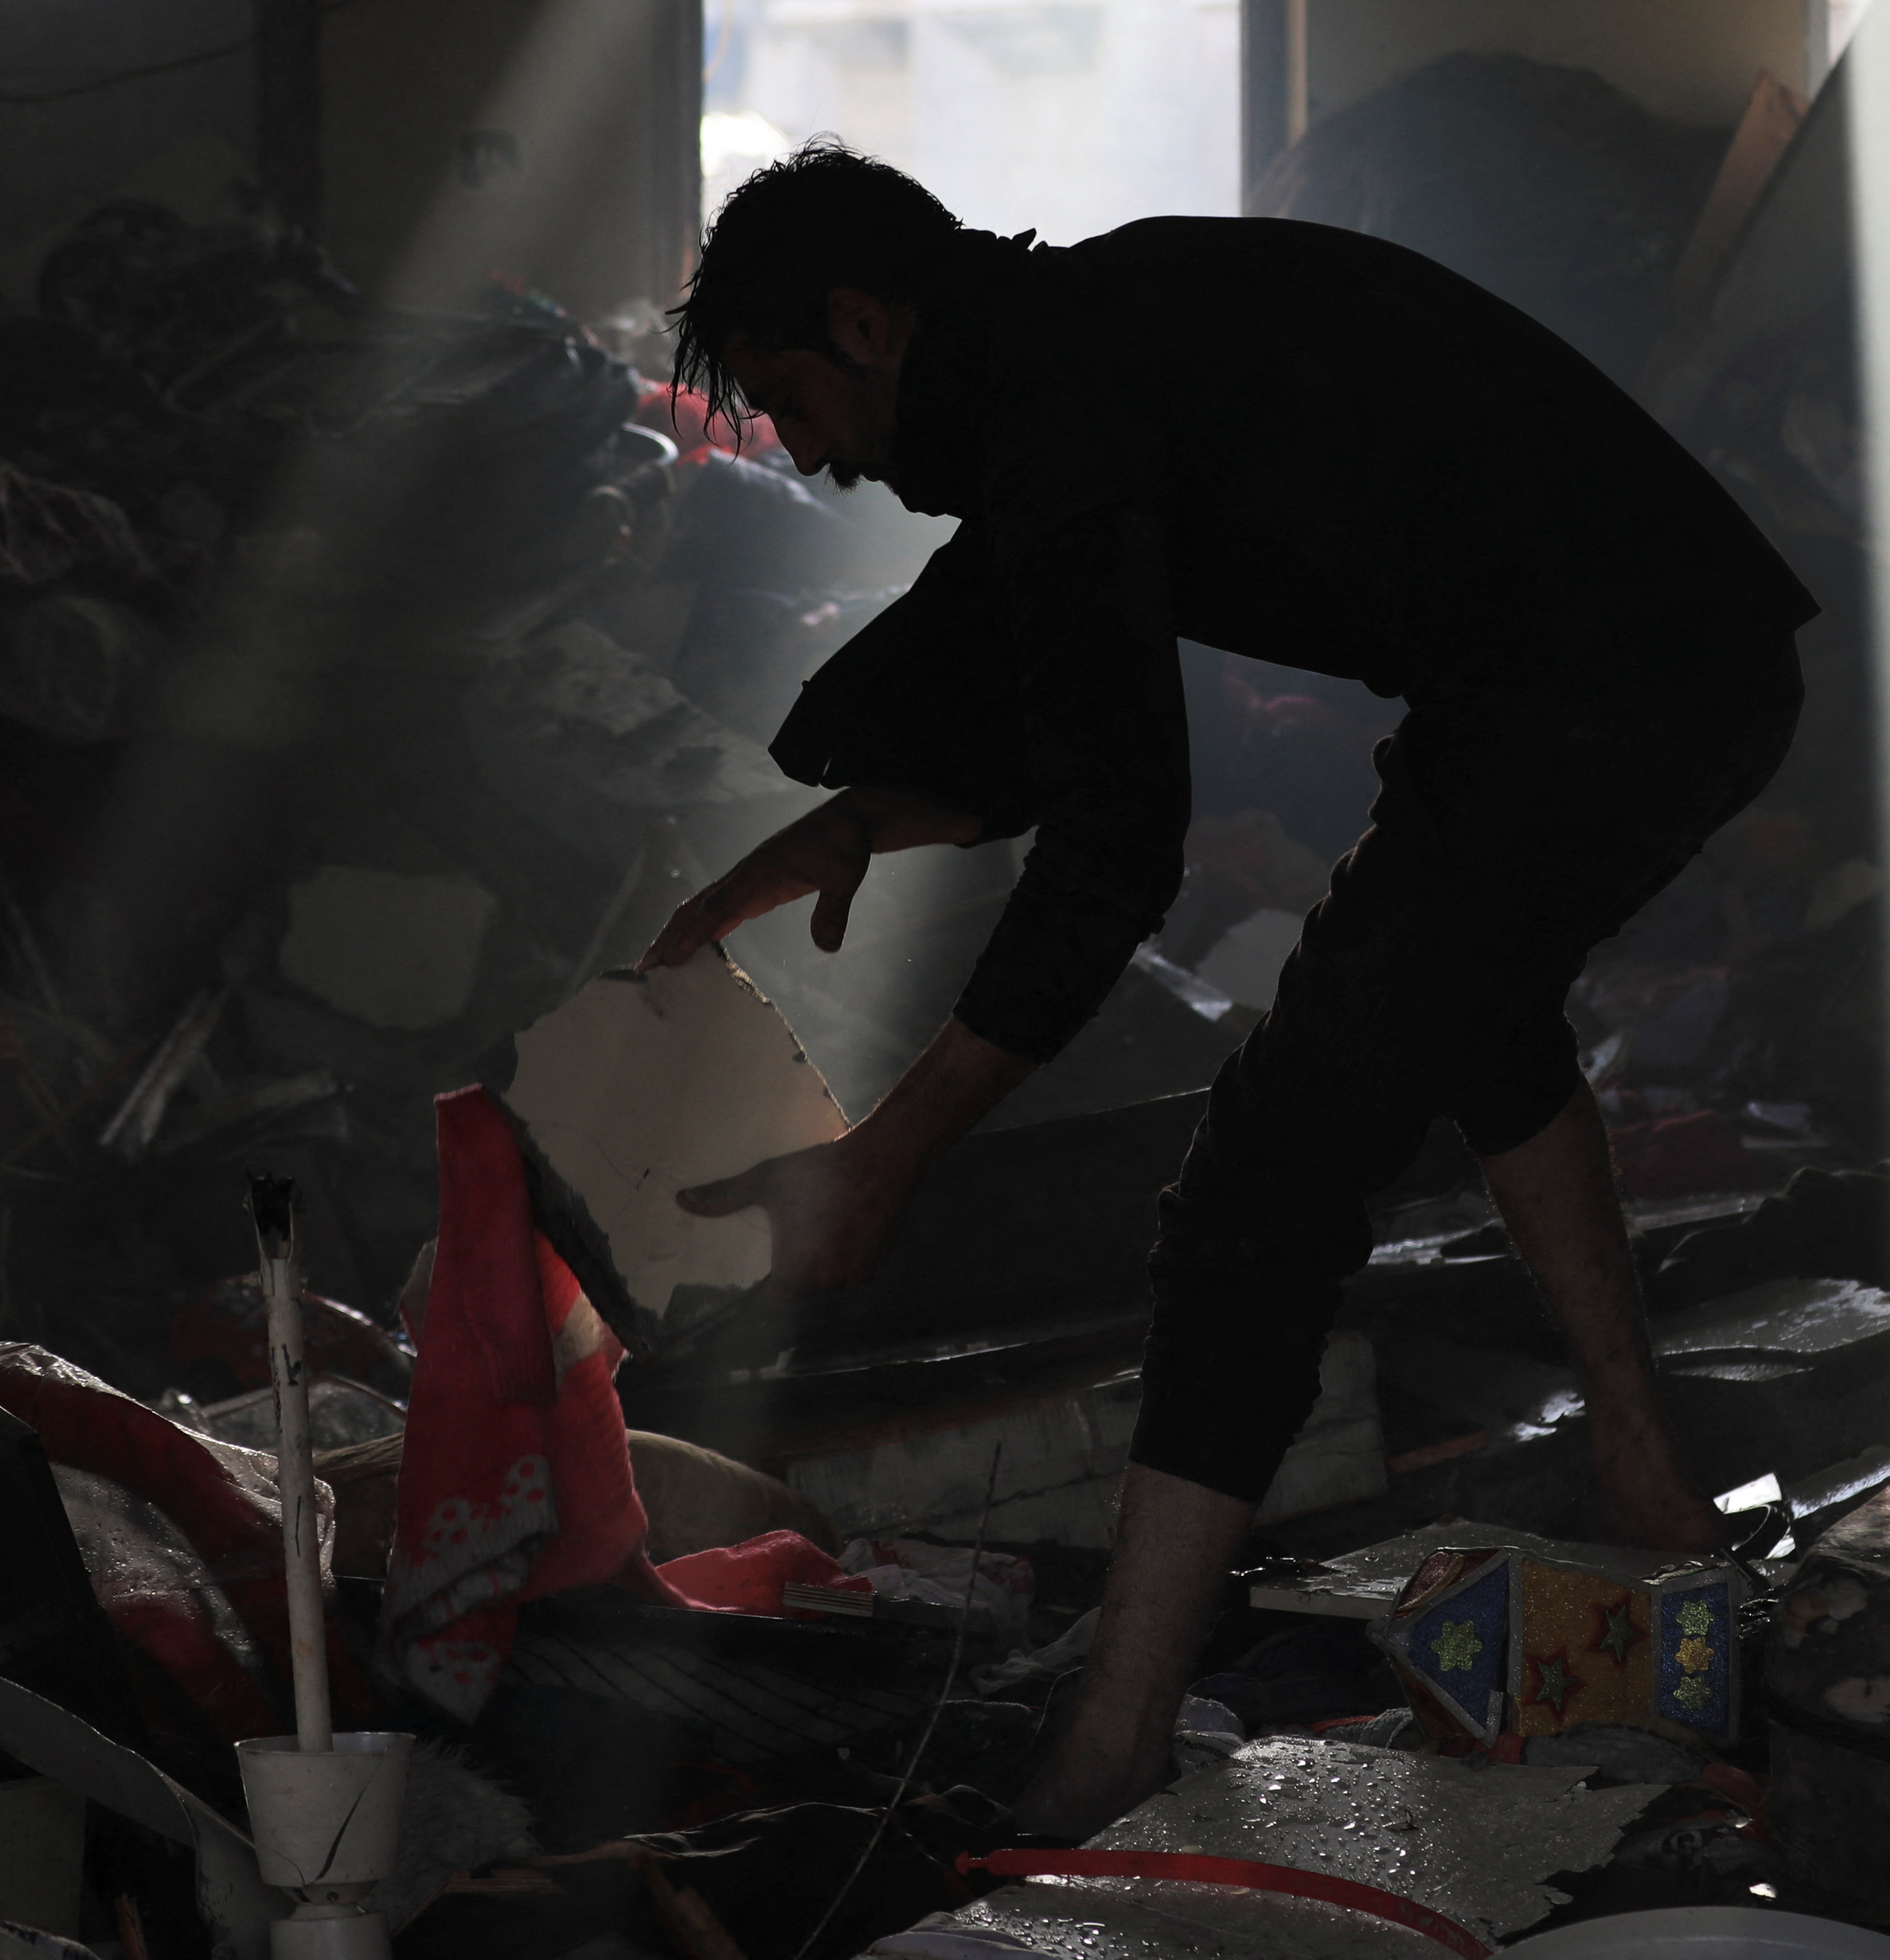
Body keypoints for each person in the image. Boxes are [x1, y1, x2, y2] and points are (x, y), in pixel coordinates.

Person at [639, 142, 1817, 1836]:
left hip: (1616, 680)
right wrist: (855, 819)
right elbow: (1037, 670)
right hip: (1594, 665)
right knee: (1467, 1002)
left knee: (1254, 1191)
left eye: (793, 402)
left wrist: (889, 1154)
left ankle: (1111, 1746)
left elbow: (1116, 844)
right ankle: (1645, 1481)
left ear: (864, 321)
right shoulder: (1065, 339)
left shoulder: (1059, 393)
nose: (811, 462)